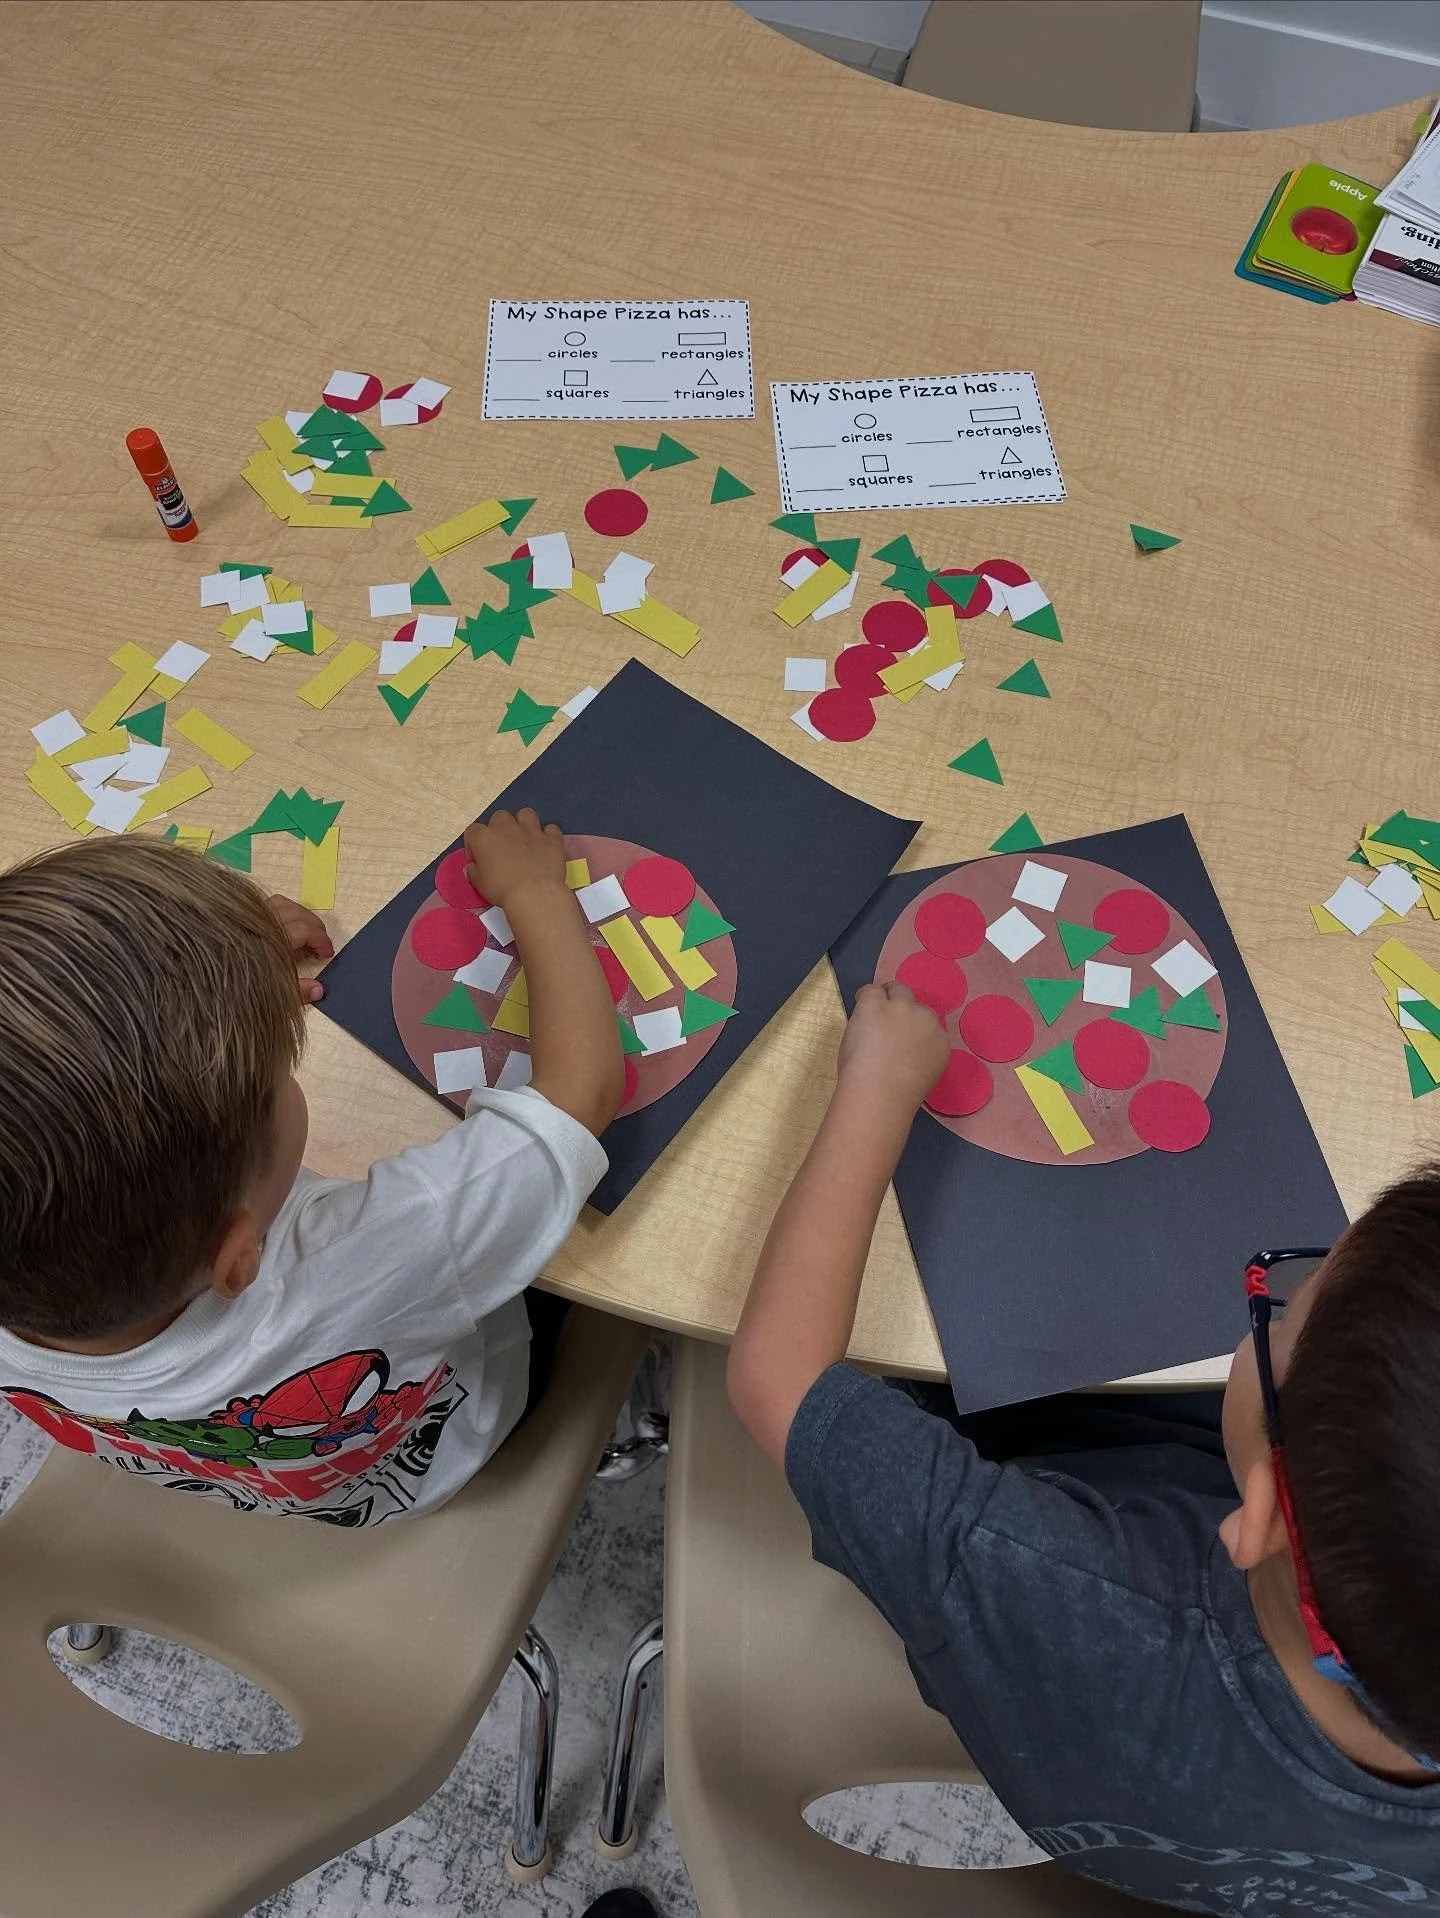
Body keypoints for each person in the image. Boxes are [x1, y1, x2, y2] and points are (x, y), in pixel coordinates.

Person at [727, 978, 1440, 1917]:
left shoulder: (1048, 1582)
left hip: (1040, 1601)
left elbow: (778, 1379)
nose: (1273, 1295)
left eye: (1287, 1299)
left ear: (1262, 1510)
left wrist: (877, 1085)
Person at [0, 811, 622, 1525]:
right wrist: (534, 891)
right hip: (454, 1445)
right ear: (240, 1258)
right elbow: (581, 1094)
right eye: (273, 1076)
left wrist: (224, 986)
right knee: (590, 1260)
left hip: (255, 1480)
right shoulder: (374, 1250)